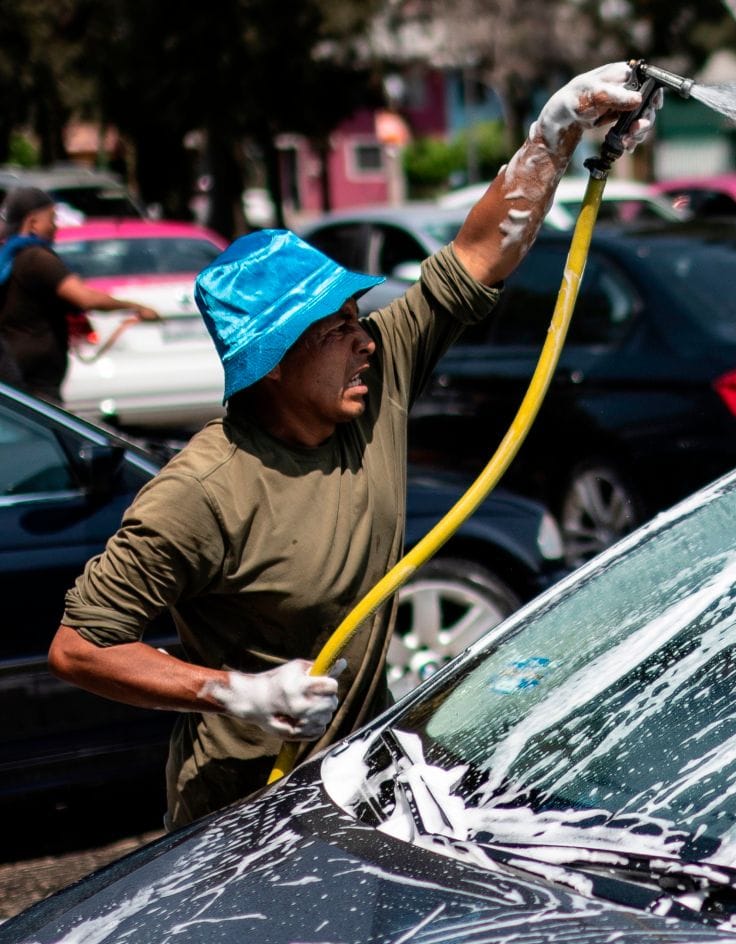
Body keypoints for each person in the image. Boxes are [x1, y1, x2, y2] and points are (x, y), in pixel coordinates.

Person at [47, 62, 658, 828]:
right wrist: (234, 692)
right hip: (241, 810)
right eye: (336, 329)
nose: (364, 339)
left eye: (357, 316)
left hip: (353, 785)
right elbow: (79, 649)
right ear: (269, 364)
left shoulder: (376, 374)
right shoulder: (200, 492)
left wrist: (556, 130)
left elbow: (474, 253)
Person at [0, 185, 162, 402]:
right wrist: (136, 306)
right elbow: (86, 298)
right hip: (35, 382)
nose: (56, 227)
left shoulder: (9, 258)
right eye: (52, 218)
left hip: (16, 371)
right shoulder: (36, 257)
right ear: (33, 223)